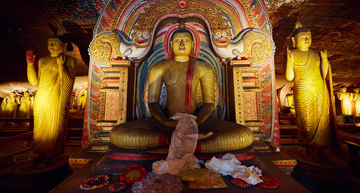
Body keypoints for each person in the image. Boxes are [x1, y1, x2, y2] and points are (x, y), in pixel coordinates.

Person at [110, 28, 253, 153]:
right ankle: (182, 141)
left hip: (197, 121)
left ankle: (172, 141)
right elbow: (153, 102)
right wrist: (165, 122)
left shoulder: (204, 68)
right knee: (118, 134)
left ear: (193, 43)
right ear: (171, 44)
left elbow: (209, 103)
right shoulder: (159, 68)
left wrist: (196, 122)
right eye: (178, 41)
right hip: (166, 121)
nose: (182, 44)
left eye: (186, 40)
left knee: (244, 135)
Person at [26, 35, 77, 165]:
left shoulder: (70, 60)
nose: (51, 45)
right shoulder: (43, 60)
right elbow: (34, 82)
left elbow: (68, 82)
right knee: (39, 128)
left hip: (56, 97)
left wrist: (61, 66)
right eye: (49, 43)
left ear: (64, 46)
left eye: (55, 42)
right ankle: (38, 152)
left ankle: (51, 153)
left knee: (53, 126)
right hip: (42, 97)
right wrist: (30, 64)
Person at [285, 25, 337, 149]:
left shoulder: (316, 53)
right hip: (303, 89)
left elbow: (323, 74)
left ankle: (322, 149)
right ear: (294, 40)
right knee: (306, 122)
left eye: (308, 37)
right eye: (303, 37)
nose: (307, 39)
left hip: (319, 88)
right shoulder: (292, 53)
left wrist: (324, 59)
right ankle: (307, 149)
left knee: (322, 120)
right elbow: (289, 77)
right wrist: (289, 60)